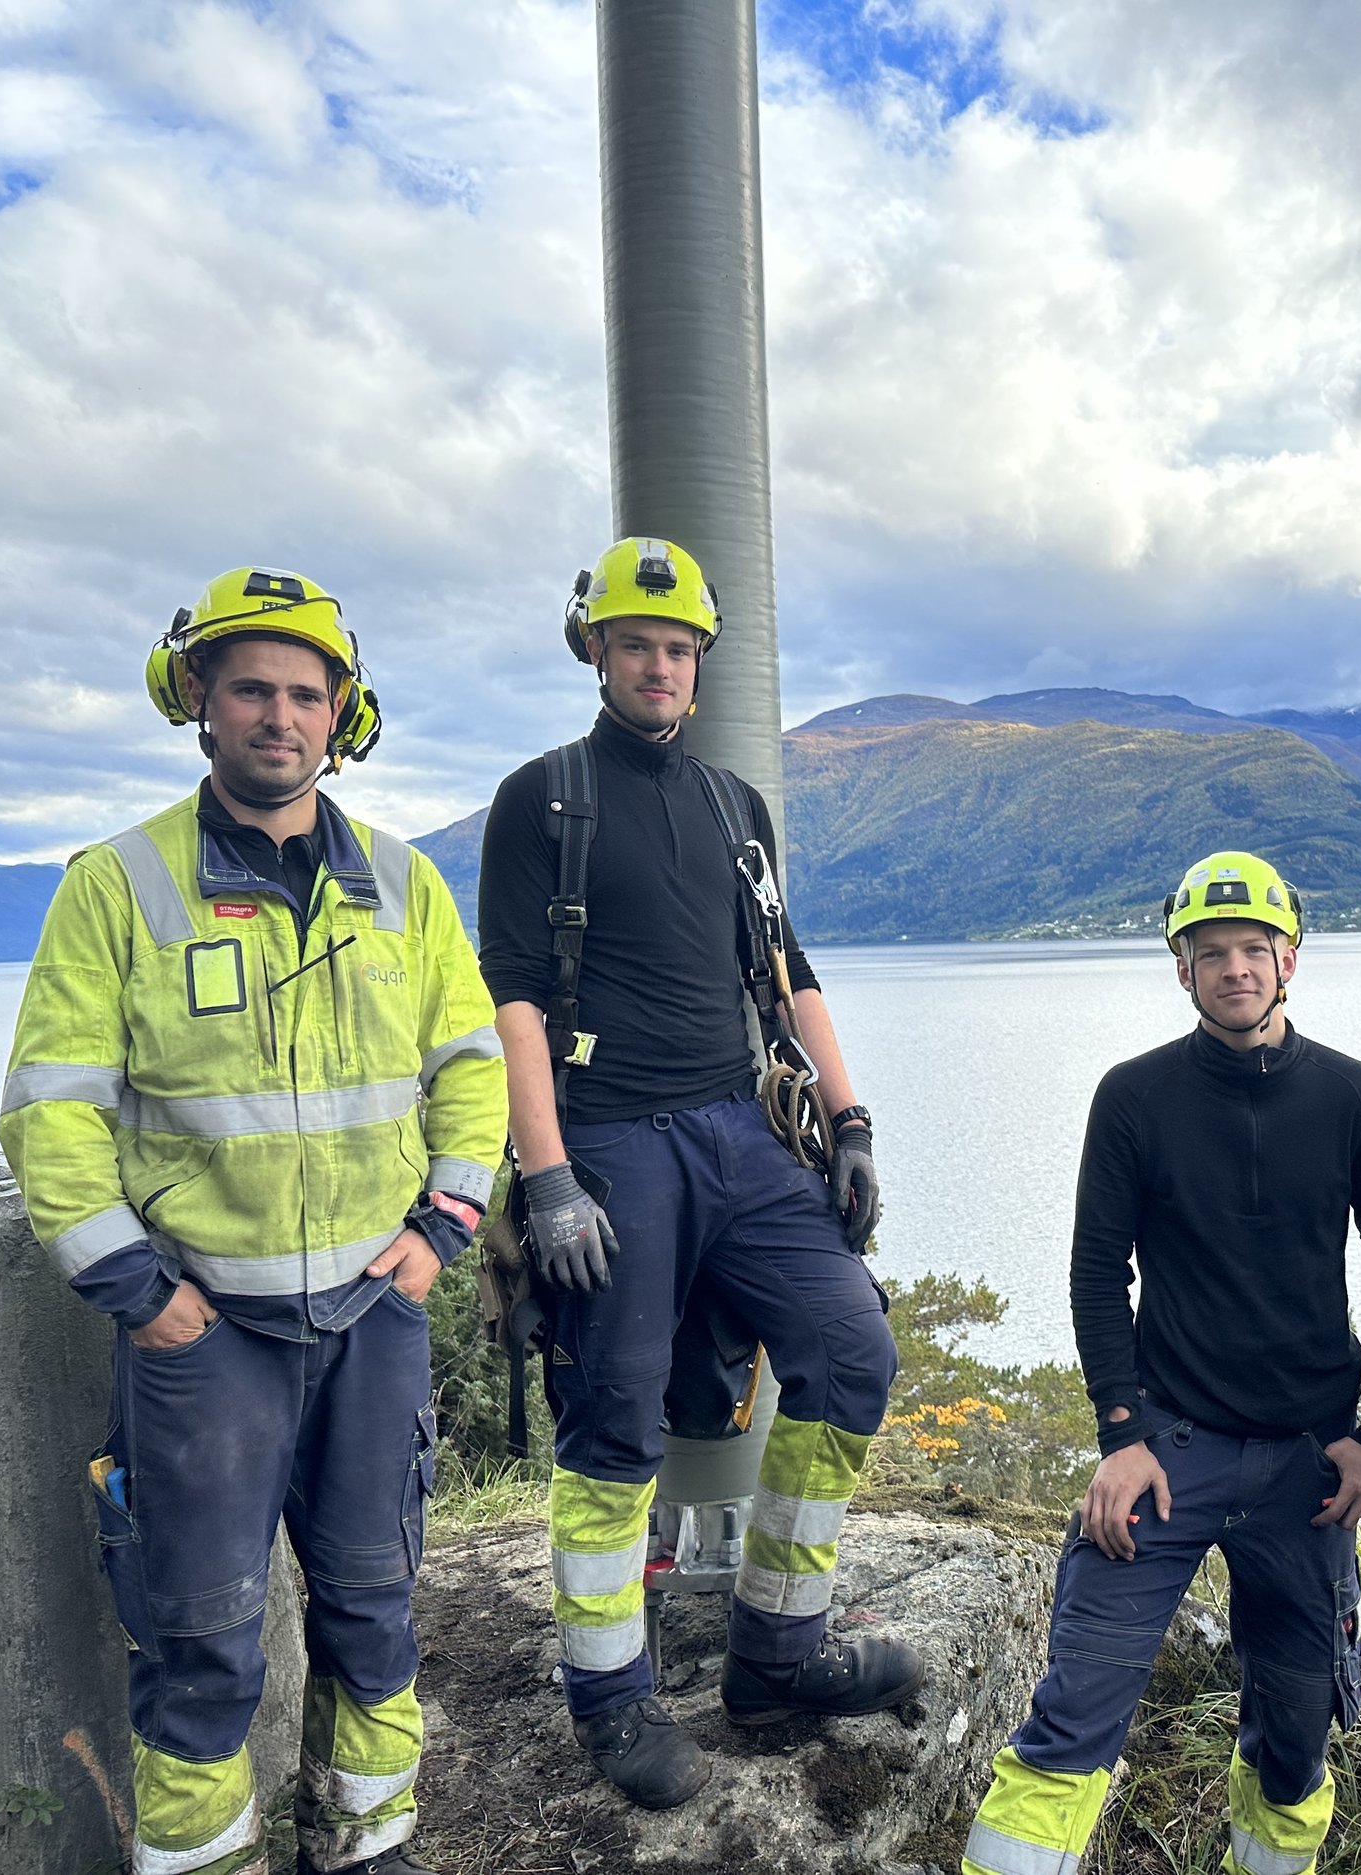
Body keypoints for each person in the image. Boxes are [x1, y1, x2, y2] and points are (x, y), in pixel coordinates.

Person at [0, 568, 506, 1875]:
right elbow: (52, 1108)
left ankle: (367, 1851)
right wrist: (138, 1291)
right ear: (200, 704)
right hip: (202, 1330)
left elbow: (472, 1065)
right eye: (251, 688)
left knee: (375, 1618)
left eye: (305, 692)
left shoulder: (403, 885)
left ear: (344, 714)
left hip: (370, 1317)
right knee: (204, 1641)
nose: (279, 715)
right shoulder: (117, 885)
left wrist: (440, 1227)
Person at [475, 535, 916, 1812]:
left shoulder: (735, 807)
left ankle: (777, 1656)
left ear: (699, 663)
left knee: (850, 1356)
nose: (659, 665)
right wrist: (547, 1175)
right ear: (595, 652)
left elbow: (790, 972)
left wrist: (851, 1119)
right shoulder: (543, 798)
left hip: (736, 1129)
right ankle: (609, 1697)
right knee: (614, 1418)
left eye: (678, 649)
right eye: (635, 645)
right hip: (608, 1135)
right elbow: (510, 998)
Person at [961, 851, 1361, 1875]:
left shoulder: (1355, 1097)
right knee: (1075, 1710)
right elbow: (1093, 1274)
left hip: (1308, 1464)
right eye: (1211, 953)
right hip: (1170, 1452)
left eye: (1254, 949)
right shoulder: (1135, 1097)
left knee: (1296, 1741)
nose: (1235, 969)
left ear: (1289, 959)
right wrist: (1118, 1436)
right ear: (1181, 970)